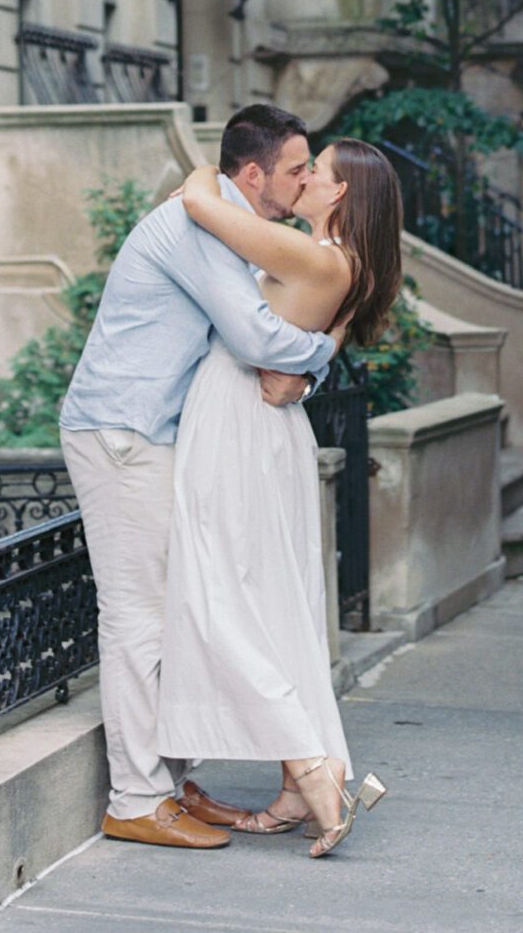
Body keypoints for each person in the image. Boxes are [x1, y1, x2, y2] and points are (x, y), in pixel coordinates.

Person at [58, 104, 336, 851]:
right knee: (138, 619)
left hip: (150, 435)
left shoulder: (221, 219)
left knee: (173, 610)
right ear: (253, 175)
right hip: (121, 435)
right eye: (296, 169)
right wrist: (325, 355)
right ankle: (136, 798)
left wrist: (306, 366)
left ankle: (171, 783)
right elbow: (250, 333)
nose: (307, 179)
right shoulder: (197, 225)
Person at [158, 138, 402, 858]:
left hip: (236, 421)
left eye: (314, 172)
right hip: (267, 427)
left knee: (217, 595)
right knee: (275, 605)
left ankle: (311, 767)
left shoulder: (313, 254)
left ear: (340, 196)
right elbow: (313, 347)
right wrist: (316, 361)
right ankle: (301, 788)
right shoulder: (343, 266)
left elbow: (201, 197)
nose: (301, 180)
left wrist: (215, 165)